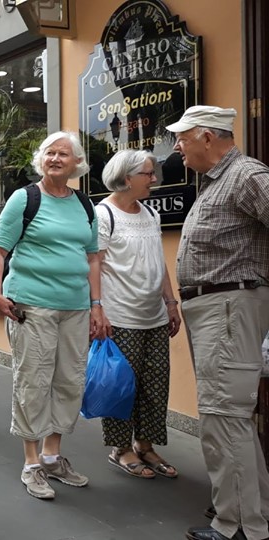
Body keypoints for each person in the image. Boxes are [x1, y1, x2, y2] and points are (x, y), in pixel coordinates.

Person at [0, 131, 108, 501]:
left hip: (75, 307)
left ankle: (53, 456)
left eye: (64, 155)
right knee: (33, 380)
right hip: (31, 305)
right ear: (42, 160)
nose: (56, 159)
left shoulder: (85, 205)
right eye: (50, 153)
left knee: (69, 380)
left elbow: (92, 259)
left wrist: (97, 305)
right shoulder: (25, 198)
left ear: (77, 165)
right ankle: (32, 463)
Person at [165, 106, 269, 540]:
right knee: (226, 416)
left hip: (230, 306)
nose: (176, 146)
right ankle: (251, 510)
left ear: (207, 137)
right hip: (215, 309)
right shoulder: (216, 181)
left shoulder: (246, 175)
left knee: (223, 417)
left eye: (182, 137)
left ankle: (239, 526)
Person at [96, 149, 182, 481]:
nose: (154, 179)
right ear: (127, 177)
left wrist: (171, 303)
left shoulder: (149, 213)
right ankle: (121, 449)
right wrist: (97, 309)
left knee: (155, 385)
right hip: (121, 316)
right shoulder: (104, 214)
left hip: (154, 315)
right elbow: (95, 265)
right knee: (122, 386)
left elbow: (158, 262)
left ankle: (145, 445)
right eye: (148, 173)